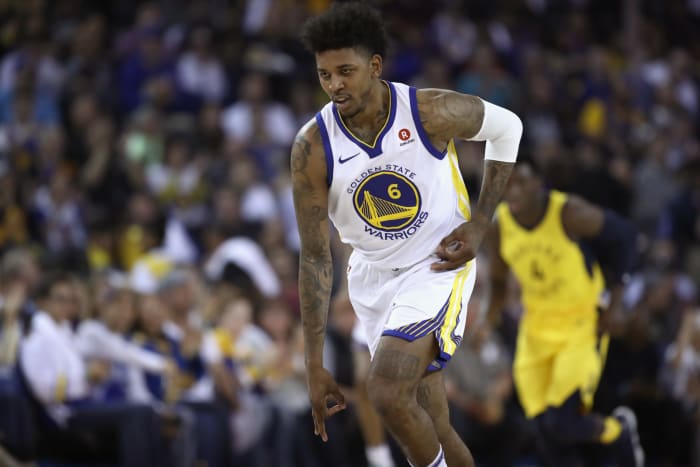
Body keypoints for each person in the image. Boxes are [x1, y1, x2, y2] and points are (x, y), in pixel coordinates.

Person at [291, 3, 522, 466]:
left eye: (346, 71)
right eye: (324, 75)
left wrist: (480, 221)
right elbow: (316, 258)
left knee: (386, 389)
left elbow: (508, 129)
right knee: (431, 422)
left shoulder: (429, 111)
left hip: (437, 264)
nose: (335, 84)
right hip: (371, 278)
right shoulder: (312, 148)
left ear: (375, 67)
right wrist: (314, 363)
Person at [481, 160, 644, 467]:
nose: (513, 190)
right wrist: (489, 316)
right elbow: (500, 281)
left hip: (581, 324)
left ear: (538, 183)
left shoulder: (569, 213)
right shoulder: (500, 226)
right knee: (543, 430)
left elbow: (626, 238)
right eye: (506, 183)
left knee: (562, 423)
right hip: (536, 328)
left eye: (521, 181)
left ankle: (620, 431)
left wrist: (616, 302)